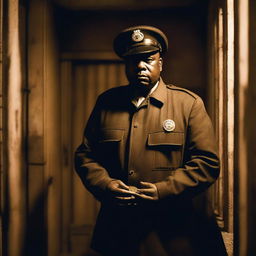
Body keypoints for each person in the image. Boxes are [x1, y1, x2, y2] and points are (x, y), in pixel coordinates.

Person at [75, 25, 227, 256]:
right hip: (118, 230)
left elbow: (207, 163)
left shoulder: (188, 104)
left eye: (148, 59)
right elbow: (85, 155)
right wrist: (105, 184)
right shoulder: (107, 102)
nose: (140, 66)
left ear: (161, 63)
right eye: (133, 60)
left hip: (172, 230)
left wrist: (163, 190)